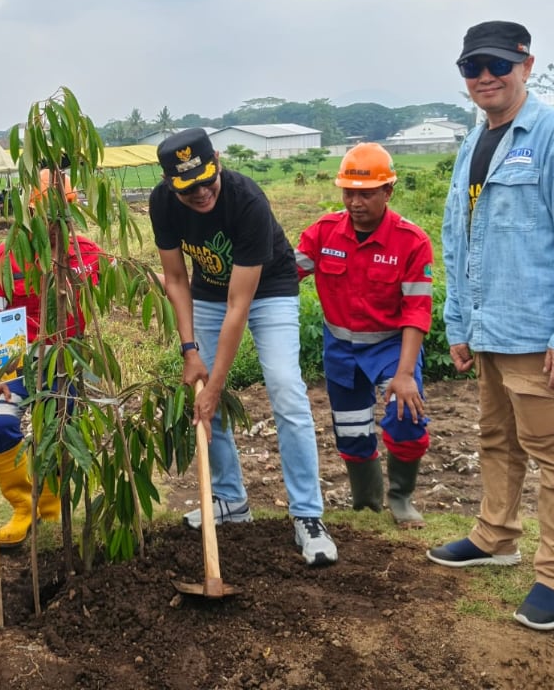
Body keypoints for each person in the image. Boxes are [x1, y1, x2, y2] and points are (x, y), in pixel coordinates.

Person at [429, 21, 554, 632]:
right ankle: (495, 535)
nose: (485, 77)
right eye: (472, 68)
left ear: (526, 65)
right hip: (489, 329)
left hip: (538, 334)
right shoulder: (472, 142)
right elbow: (459, 240)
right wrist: (457, 322)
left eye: (497, 65)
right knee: (495, 439)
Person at [150, 128, 337, 565]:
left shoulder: (246, 199)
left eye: (206, 180)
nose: (200, 193)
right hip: (208, 293)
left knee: (286, 388)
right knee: (200, 397)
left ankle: (308, 515)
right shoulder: (162, 203)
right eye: (186, 187)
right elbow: (176, 280)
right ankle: (231, 500)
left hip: (268, 288)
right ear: (168, 183)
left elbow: (241, 304)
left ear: (217, 159)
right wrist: (190, 351)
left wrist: (216, 383)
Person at [296, 143, 434, 528]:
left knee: (406, 418)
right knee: (352, 429)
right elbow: (284, 272)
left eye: (366, 193)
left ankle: (401, 498)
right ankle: (367, 504)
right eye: (349, 193)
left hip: (391, 347)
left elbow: (417, 312)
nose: (355, 202)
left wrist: (405, 374)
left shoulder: (411, 241)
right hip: (341, 349)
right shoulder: (323, 233)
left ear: (388, 191)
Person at [0, 170, 101, 548]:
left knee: (60, 429)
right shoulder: (0, 258)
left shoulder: (85, 253)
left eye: (61, 214)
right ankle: (21, 505)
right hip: (16, 364)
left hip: (68, 358)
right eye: (43, 213)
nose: (52, 223)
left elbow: (126, 282)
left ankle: (49, 504)